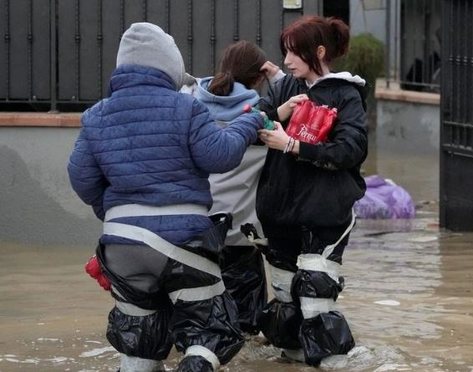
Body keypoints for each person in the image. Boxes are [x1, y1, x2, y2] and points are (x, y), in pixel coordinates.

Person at [67, 22, 264, 372]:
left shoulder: (96, 115)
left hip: (122, 245)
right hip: (182, 242)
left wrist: (115, 212)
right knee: (211, 331)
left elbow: (81, 179)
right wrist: (248, 124)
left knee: (140, 341)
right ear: (170, 65)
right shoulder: (185, 108)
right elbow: (219, 156)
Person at [255, 15, 369, 366]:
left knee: (316, 295)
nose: (286, 61)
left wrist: (292, 145)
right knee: (285, 296)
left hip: (326, 210)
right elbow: (250, 124)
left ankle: (336, 361)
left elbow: (352, 150)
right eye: (285, 52)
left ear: (318, 52)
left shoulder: (346, 94)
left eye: (294, 53)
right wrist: (277, 112)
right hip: (279, 211)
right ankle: (292, 355)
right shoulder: (284, 88)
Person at [180, 40, 284, 336]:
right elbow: (308, 105)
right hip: (241, 237)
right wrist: (277, 78)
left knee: (198, 325)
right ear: (258, 76)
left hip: (195, 231)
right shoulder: (261, 120)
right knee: (246, 331)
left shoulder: (190, 108)